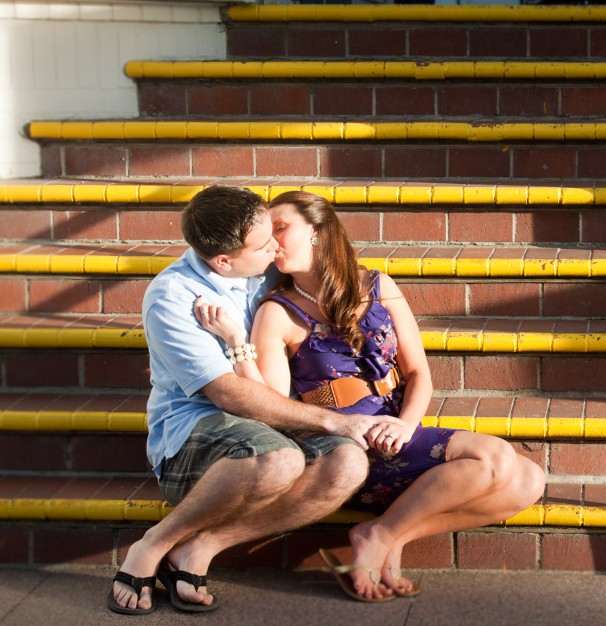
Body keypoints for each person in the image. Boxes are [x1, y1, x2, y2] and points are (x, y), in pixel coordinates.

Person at [194, 190, 545, 601]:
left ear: (317, 231)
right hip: (348, 445)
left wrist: (406, 425)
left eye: (282, 228)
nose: (272, 242)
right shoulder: (278, 312)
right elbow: (270, 402)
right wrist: (237, 343)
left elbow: (419, 373)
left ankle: (387, 536)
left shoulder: (379, 285)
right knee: (496, 458)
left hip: (398, 431)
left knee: (529, 481)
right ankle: (378, 537)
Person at [109, 185, 394, 615]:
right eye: (264, 244)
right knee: (279, 458)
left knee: (349, 463)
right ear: (224, 261)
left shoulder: (264, 271)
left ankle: (201, 548)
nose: (276, 247)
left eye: (275, 233)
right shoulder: (174, 296)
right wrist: (334, 420)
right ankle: (152, 544)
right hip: (195, 432)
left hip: (270, 420)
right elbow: (227, 393)